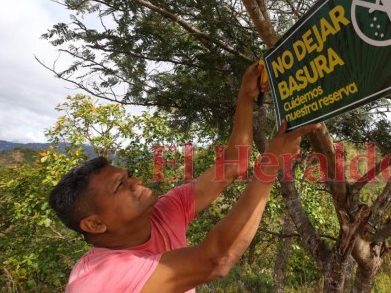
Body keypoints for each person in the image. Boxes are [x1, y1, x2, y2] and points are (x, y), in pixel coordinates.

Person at [49, 62, 319, 292]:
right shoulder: (99, 280)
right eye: (120, 185)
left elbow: (232, 165)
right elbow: (216, 260)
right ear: (95, 224)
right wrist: (271, 162)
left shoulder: (166, 212)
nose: (136, 181)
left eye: (128, 176)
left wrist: (246, 96)